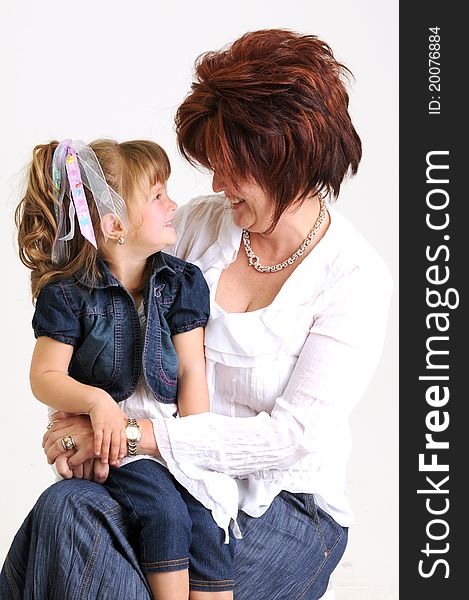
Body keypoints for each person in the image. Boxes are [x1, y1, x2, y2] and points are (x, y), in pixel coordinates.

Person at [1, 28, 393, 600]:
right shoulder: (194, 230)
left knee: (94, 561)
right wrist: (76, 427)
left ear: (286, 156)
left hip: (281, 505)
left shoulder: (354, 279)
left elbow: (289, 437)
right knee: (63, 510)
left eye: (232, 166)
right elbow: (104, 322)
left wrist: (131, 436)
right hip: (163, 479)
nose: (214, 183)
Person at [10, 138, 237, 600]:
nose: (173, 203)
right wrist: (96, 403)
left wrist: (195, 448)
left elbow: (192, 371)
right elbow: (44, 377)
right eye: (157, 196)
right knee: (165, 513)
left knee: (208, 519)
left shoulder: (180, 282)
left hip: (170, 434)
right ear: (114, 225)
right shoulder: (70, 294)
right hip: (117, 443)